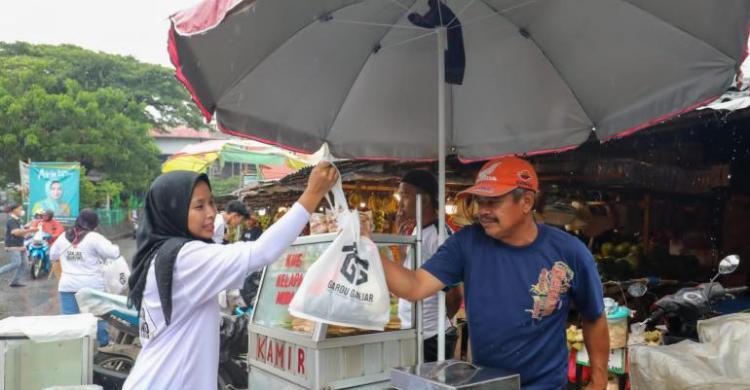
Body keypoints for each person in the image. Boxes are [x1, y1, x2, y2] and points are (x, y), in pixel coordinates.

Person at [381, 157, 609, 390]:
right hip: (488, 384)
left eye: (493, 202)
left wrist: (599, 380)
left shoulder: (569, 252)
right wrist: (365, 246)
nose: (483, 211)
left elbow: (594, 316)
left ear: (526, 202)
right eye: (480, 202)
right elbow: (415, 286)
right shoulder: (466, 243)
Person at [122, 163, 338, 390]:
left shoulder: (161, 254)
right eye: (199, 206)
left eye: (211, 202)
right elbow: (261, 251)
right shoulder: (185, 258)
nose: (211, 212)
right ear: (171, 212)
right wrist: (313, 193)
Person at [396, 170, 463, 362]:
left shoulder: (439, 235)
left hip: (432, 337)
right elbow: (410, 274)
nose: (400, 202)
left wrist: (437, 325)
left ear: (424, 200)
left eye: (405, 195)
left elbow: (455, 295)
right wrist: (402, 248)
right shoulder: (417, 229)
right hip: (414, 331)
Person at [49, 209, 120, 346]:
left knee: (69, 321)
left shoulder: (63, 237)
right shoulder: (94, 237)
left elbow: (53, 255)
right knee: (97, 317)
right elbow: (114, 253)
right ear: (94, 223)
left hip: (68, 285)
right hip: (92, 287)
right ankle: (102, 346)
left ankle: (71, 348)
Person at [1, 202, 34, 287]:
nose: (21, 211)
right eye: (20, 209)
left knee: (25, 265)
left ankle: (15, 281)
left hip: (20, 245)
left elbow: (21, 229)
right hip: (13, 245)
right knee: (16, 263)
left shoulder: (18, 220)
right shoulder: (11, 221)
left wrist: (28, 226)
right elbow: (15, 232)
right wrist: (30, 230)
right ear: (14, 210)